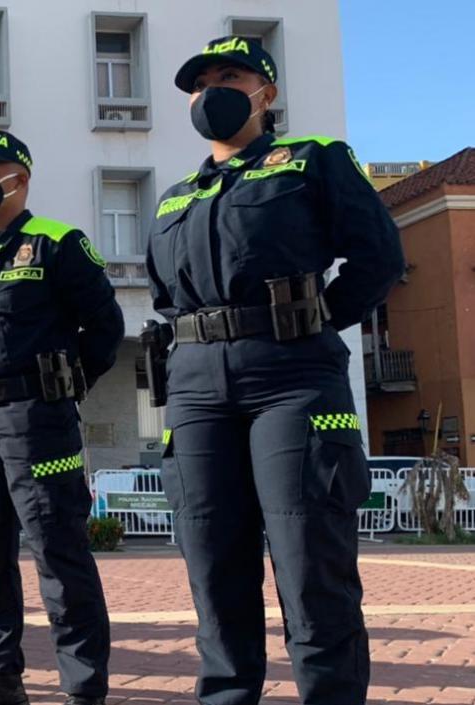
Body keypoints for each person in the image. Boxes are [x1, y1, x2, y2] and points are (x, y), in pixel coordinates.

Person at [145, 37, 405, 704]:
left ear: (267, 92)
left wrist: (314, 320)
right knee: (212, 567)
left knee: (309, 564)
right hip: (197, 386)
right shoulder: (177, 196)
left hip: (292, 377)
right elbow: (167, 297)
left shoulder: (313, 160)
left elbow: (377, 257)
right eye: (200, 85)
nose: (212, 92)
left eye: (230, 76)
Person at [0, 129, 123, 705]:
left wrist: (61, 388)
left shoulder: (58, 242)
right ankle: (2, 676)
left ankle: (83, 686)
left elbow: (106, 328)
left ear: (20, 177)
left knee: (56, 550)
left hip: (35, 420)